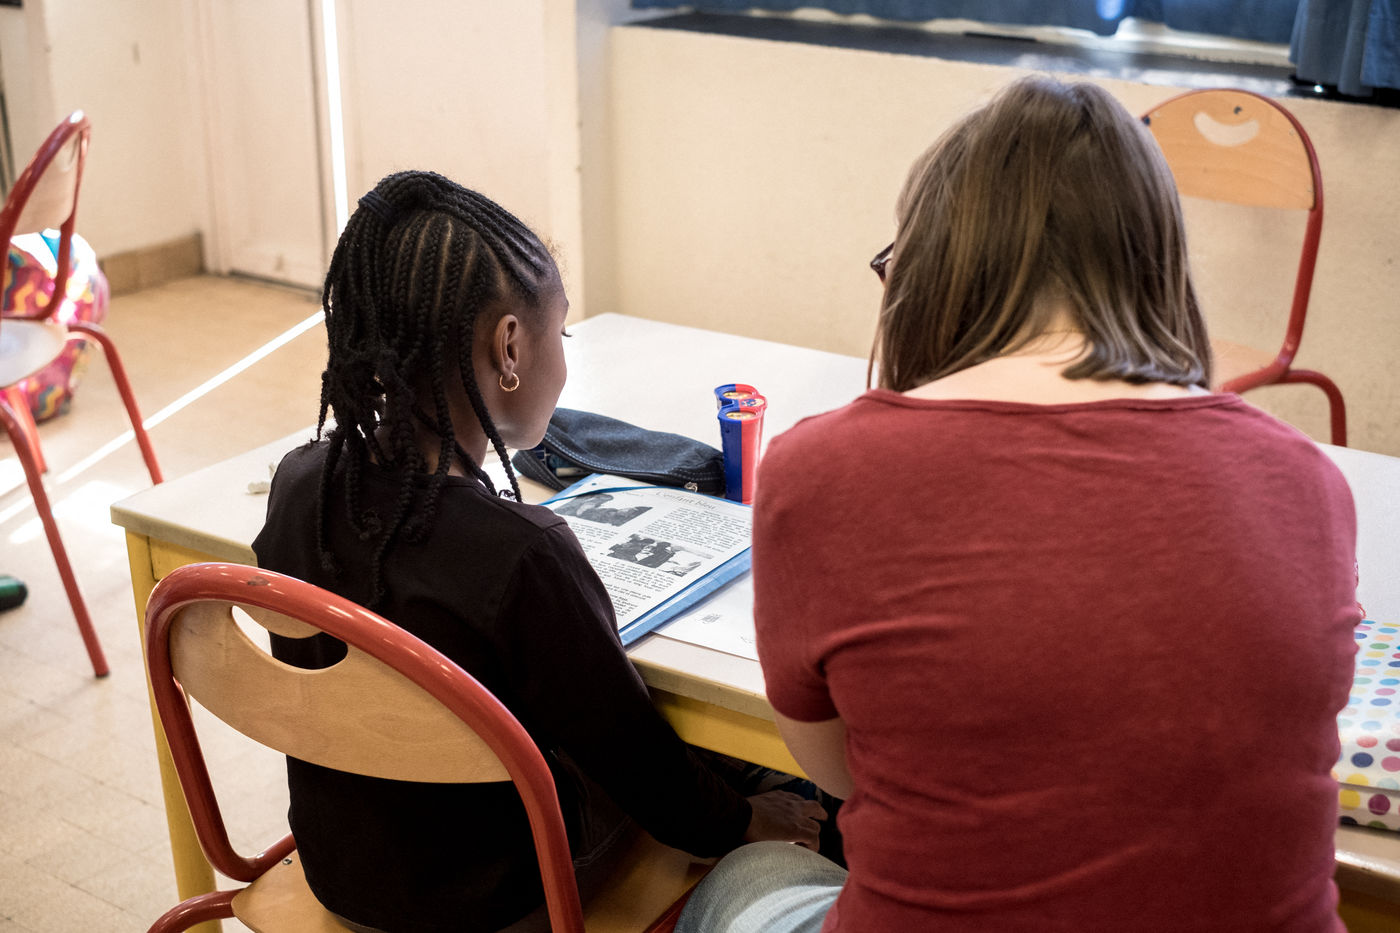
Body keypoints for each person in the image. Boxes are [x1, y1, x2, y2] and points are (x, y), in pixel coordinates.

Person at [677, 76, 1360, 933]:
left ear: (931, 266)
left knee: (752, 873)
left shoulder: (822, 471)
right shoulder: (1308, 480)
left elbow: (843, 772)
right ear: (1155, 263)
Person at [252, 171, 825, 933]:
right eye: (563, 334)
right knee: (728, 757)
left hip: (344, 872)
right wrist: (747, 818)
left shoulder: (301, 484)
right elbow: (646, 773)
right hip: (500, 899)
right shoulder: (523, 554)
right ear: (510, 346)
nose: (563, 354)